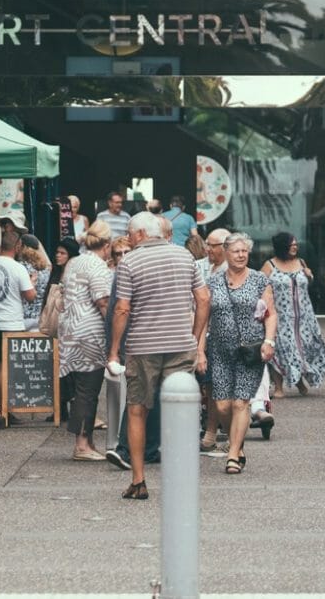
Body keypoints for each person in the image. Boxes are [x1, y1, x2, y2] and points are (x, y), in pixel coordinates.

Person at [109, 212, 208, 500]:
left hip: (142, 347)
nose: (129, 239)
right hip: (180, 343)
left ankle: (139, 480)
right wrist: (193, 334)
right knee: (179, 410)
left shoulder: (130, 262)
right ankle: (180, 480)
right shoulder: (184, 257)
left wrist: (114, 349)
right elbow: (203, 299)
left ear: (140, 234)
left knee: (138, 410)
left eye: (130, 234)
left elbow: (122, 309)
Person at [195, 233, 275, 474]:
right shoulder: (214, 281)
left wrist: (269, 340)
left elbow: (270, 312)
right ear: (226, 253)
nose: (241, 255)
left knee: (240, 402)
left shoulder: (260, 280)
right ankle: (237, 442)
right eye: (236, 251)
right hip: (219, 351)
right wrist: (200, 350)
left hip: (250, 351)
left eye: (245, 251)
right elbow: (204, 317)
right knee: (221, 406)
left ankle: (232, 453)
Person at [59, 225, 114, 461]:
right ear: (107, 246)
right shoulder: (98, 266)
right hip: (90, 331)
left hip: (70, 328)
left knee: (82, 386)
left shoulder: (74, 262)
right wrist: (114, 334)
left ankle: (86, 440)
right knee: (88, 389)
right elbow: (103, 302)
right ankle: (82, 444)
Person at [262, 231, 325, 397]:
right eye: (291, 245)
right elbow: (259, 286)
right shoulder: (270, 265)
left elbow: (306, 284)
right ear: (282, 246)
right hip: (281, 317)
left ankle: (298, 380)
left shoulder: (301, 262)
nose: (295, 247)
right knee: (281, 350)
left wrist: (310, 275)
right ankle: (278, 388)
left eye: (296, 244)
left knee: (302, 349)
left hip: (304, 317)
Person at [0, 232, 36, 371]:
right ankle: (3, 394)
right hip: (11, 324)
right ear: (17, 247)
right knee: (7, 366)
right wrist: (33, 282)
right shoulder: (18, 268)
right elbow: (30, 296)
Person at [19, 235, 52, 331]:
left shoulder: (21, 267)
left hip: (23, 317)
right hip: (40, 316)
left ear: (22, 247)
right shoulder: (46, 268)